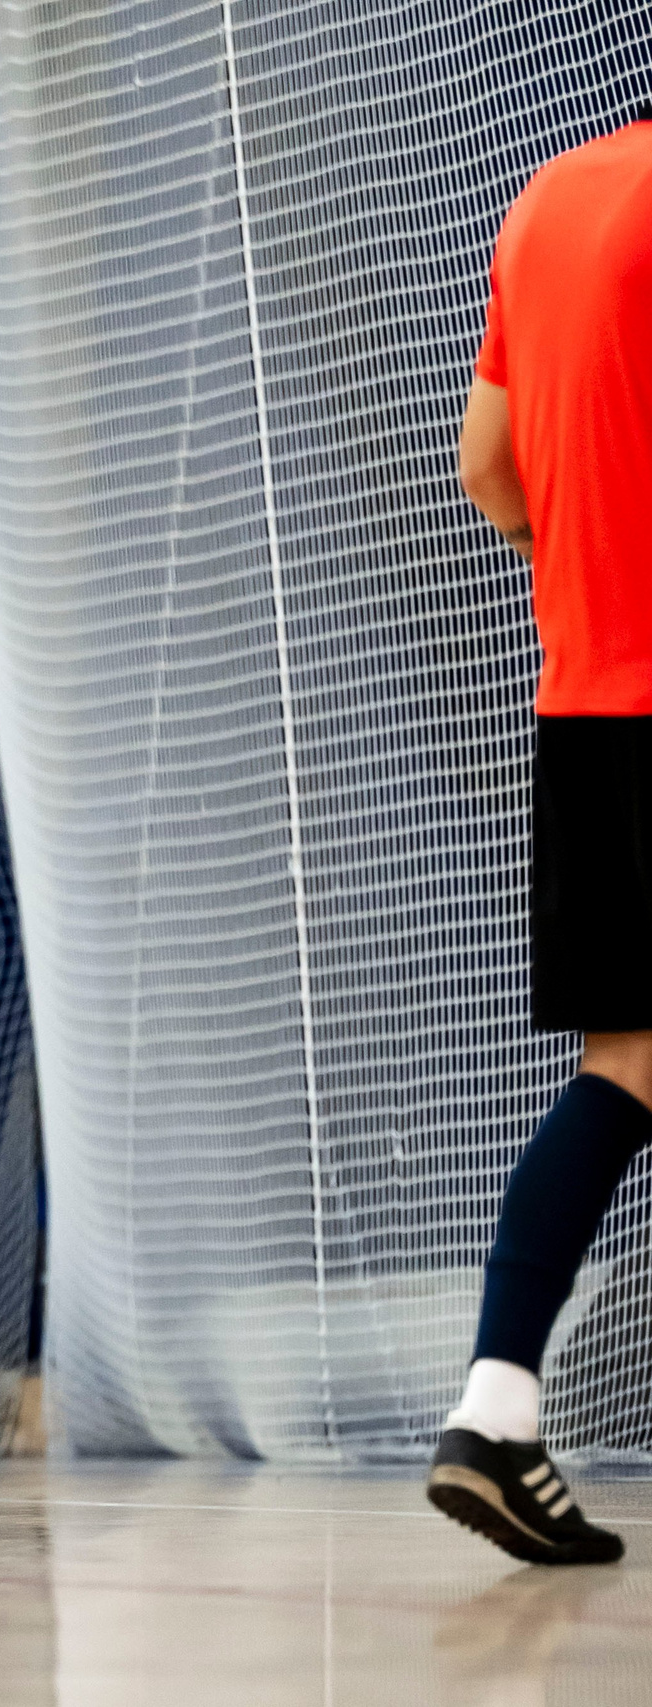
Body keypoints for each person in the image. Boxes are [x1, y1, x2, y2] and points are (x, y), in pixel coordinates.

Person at [425, 105, 652, 1568]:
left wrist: (593, 574)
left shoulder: (552, 195)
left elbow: (484, 466)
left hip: (587, 703)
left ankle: (496, 1410)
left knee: (625, 1059)